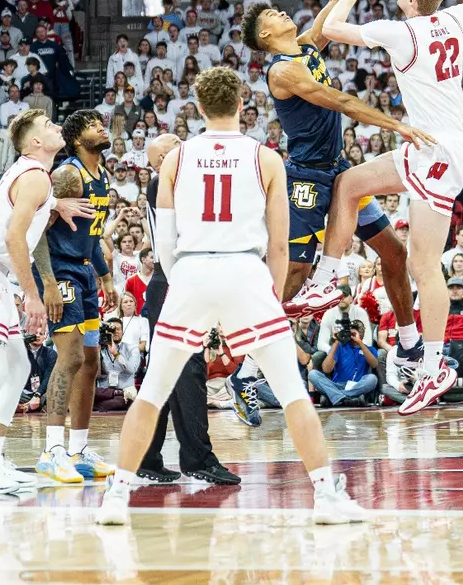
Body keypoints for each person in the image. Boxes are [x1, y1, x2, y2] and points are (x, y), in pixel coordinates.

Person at [95, 67, 364, 526]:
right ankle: (325, 496)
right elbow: (280, 245)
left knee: (152, 391)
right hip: (245, 268)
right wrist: (272, 299)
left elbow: (163, 242)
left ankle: (116, 498)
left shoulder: (176, 159)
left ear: (198, 109)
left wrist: (184, 283)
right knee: (292, 391)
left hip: (192, 268)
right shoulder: (267, 158)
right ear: (243, 104)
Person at [289, 0, 463, 415]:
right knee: (350, 184)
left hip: (436, 152)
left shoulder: (402, 32)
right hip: (428, 146)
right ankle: (327, 277)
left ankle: (436, 364)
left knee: (423, 266)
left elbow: (331, 28)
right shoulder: (452, 18)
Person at [241, 0, 419, 337]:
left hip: (338, 169)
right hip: (305, 174)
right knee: (296, 271)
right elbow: (338, 100)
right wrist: (396, 125)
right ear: (265, 36)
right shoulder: (282, 70)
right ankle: (247, 358)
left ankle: (412, 347)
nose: (284, 14)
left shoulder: (304, 45)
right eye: (274, 16)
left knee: (393, 253)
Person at [0, 108, 90, 495]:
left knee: (17, 366)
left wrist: (57, 205)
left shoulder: (35, 178)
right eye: (49, 126)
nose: (58, 126)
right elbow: (13, 238)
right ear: (36, 143)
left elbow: (27, 206)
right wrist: (32, 294)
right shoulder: (34, 177)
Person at [130, 132, 238, 486]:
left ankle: (145, 455)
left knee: (164, 373)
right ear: (161, 161)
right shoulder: (163, 183)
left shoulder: (179, 179)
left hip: (175, 282)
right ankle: (198, 458)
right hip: (174, 281)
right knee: (188, 368)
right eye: (173, 147)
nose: (185, 147)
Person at [30, 109, 116, 484]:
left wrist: (106, 276)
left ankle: (79, 451)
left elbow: (92, 234)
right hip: (60, 272)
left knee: (92, 363)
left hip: (84, 270)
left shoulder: (103, 175)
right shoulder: (68, 174)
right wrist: (47, 283)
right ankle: (52, 451)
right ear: (79, 138)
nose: (103, 127)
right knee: (69, 356)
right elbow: (37, 233)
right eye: (95, 125)